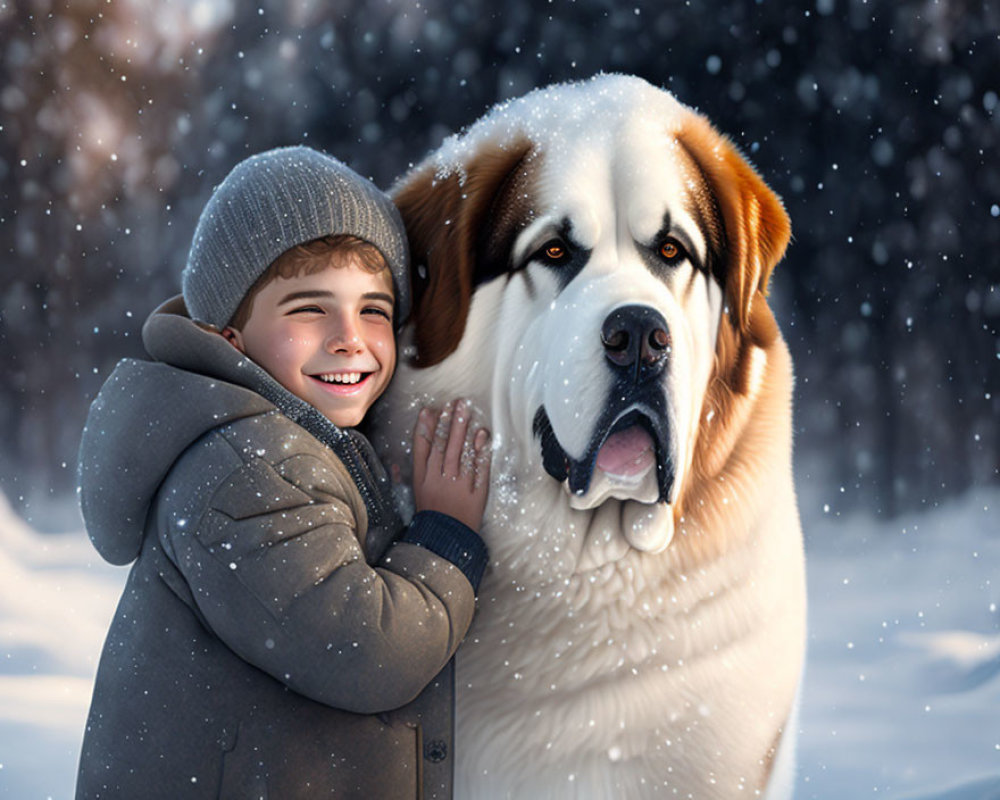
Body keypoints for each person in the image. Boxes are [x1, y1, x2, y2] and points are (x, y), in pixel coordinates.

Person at [75, 146, 491, 799]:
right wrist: (445, 538)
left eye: (374, 309)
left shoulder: (297, 446)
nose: (349, 337)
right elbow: (367, 653)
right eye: (309, 308)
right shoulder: (249, 468)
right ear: (230, 335)